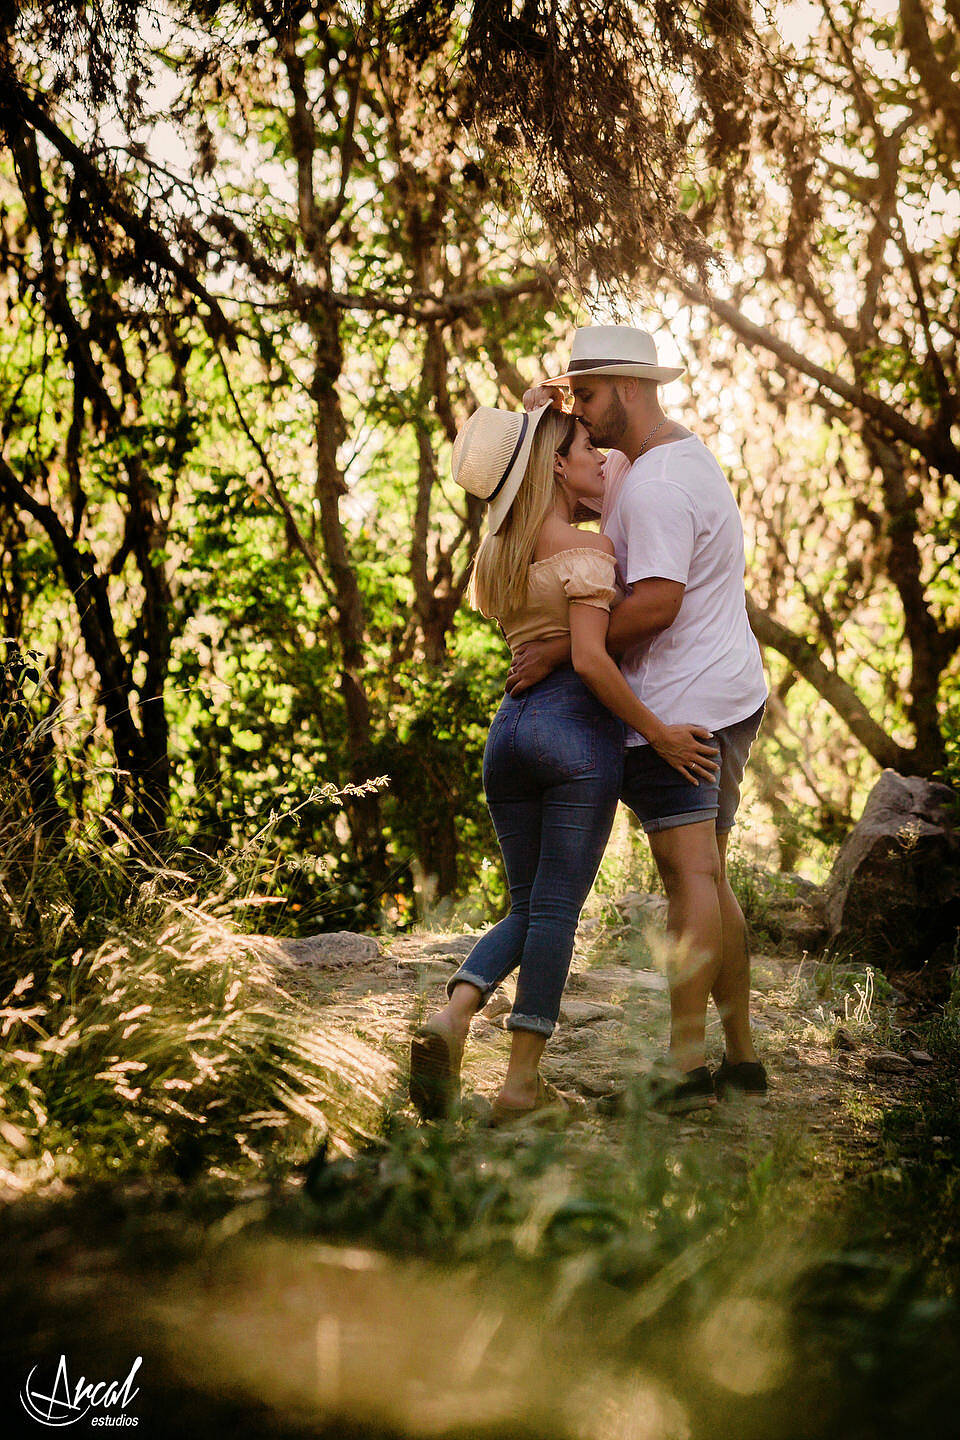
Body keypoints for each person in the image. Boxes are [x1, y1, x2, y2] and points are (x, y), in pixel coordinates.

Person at [408, 400, 720, 1123]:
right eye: (584, 447)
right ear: (553, 464)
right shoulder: (587, 550)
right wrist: (660, 733)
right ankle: (518, 1088)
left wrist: (554, 413)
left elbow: (550, 467)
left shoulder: (501, 552)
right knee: (554, 912)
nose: (601, 459)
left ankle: (454, 1015)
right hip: (573, 735)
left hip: (508, 735)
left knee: (528, 907)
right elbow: (589, 658)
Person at [506, 324, 769, 1113]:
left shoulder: (653, 486)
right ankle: (742, 1058)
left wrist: (560, 649)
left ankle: (685, 1071)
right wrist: (535, 413)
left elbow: (656, 602)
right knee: (710, 875)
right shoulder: (658, 457)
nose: (579, 414)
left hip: (681, 703)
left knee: (689, 872)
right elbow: (548, 468)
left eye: (587, 395)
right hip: (723, 689)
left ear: (628, 387)